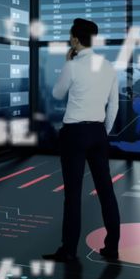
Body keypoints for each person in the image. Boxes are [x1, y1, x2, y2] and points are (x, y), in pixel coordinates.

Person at [43, 18, 121, 263]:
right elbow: (114, 105)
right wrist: (103, 131)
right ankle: (112, 246)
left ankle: (69, 250)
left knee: (73, 194)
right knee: (106, 190)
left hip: (74, 134)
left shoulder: (73, 66)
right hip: (98, 133)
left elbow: (57, 93)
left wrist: (67, 63)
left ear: (76, 40)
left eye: (70, 37)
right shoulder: (108, 66)